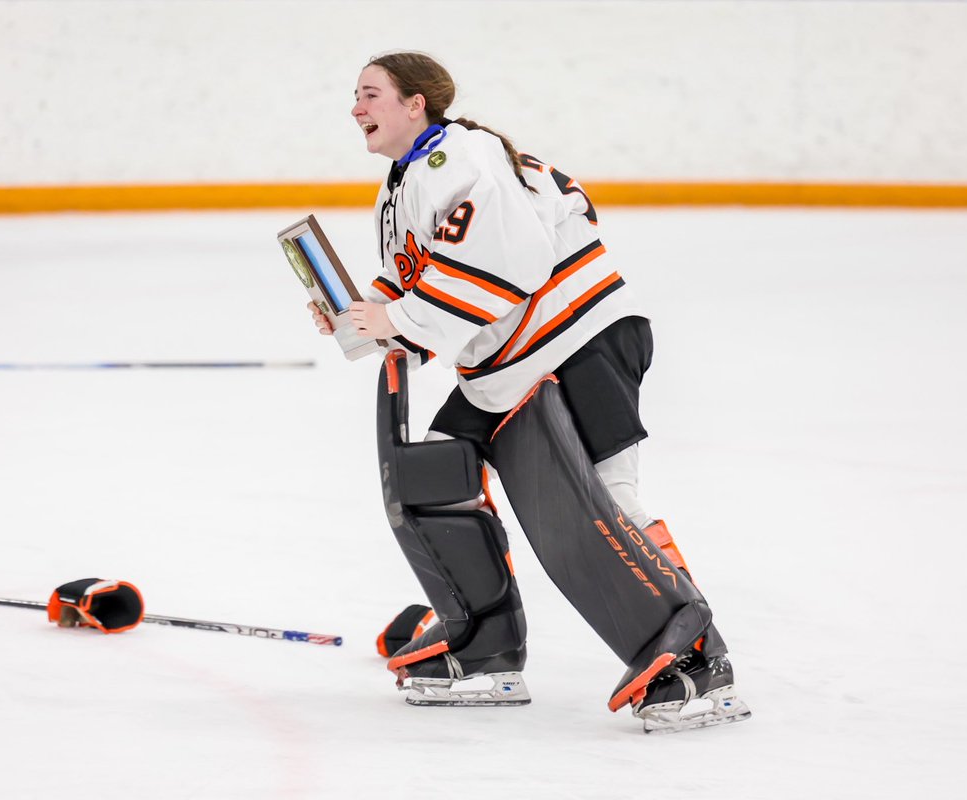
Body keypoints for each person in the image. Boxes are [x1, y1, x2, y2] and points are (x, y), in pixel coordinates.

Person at [308, 51, 749, 733]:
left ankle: (695, 661)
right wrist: (364, 316)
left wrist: (395, 319)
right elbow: (424, 279)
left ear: (414, 103)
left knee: (597, 503)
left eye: (370, 94)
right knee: (434, 477)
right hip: (513, 363)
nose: (356, 108)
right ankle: (484, 644)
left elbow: (504, 266)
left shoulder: (459, 160)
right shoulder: (411, 178)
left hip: (577, 343)